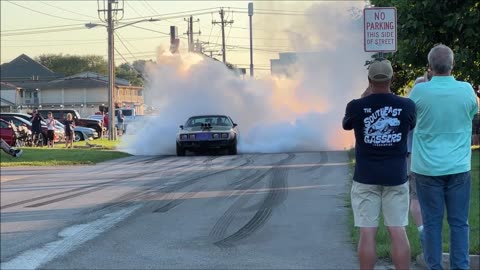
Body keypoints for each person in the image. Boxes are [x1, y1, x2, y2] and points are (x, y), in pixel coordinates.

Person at [409, 44, 479, 270]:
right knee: (459, 224)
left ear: (429, 67)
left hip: (427, 169)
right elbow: (471, 115)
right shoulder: (467, 90)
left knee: (431, 224)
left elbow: (411, 119)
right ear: (453, 65)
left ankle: (435, 267)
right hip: (458, 167)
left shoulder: (419, 92)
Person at [343, 59, 416, 270]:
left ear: (369, 80)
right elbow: (411, 124)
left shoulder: (356, 106)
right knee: (398, 230)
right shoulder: (406, 105)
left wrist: (365, 97)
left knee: (367, 232)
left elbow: (346, 124)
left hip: (365, 177)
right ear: (392, 79)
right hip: (396, 176)